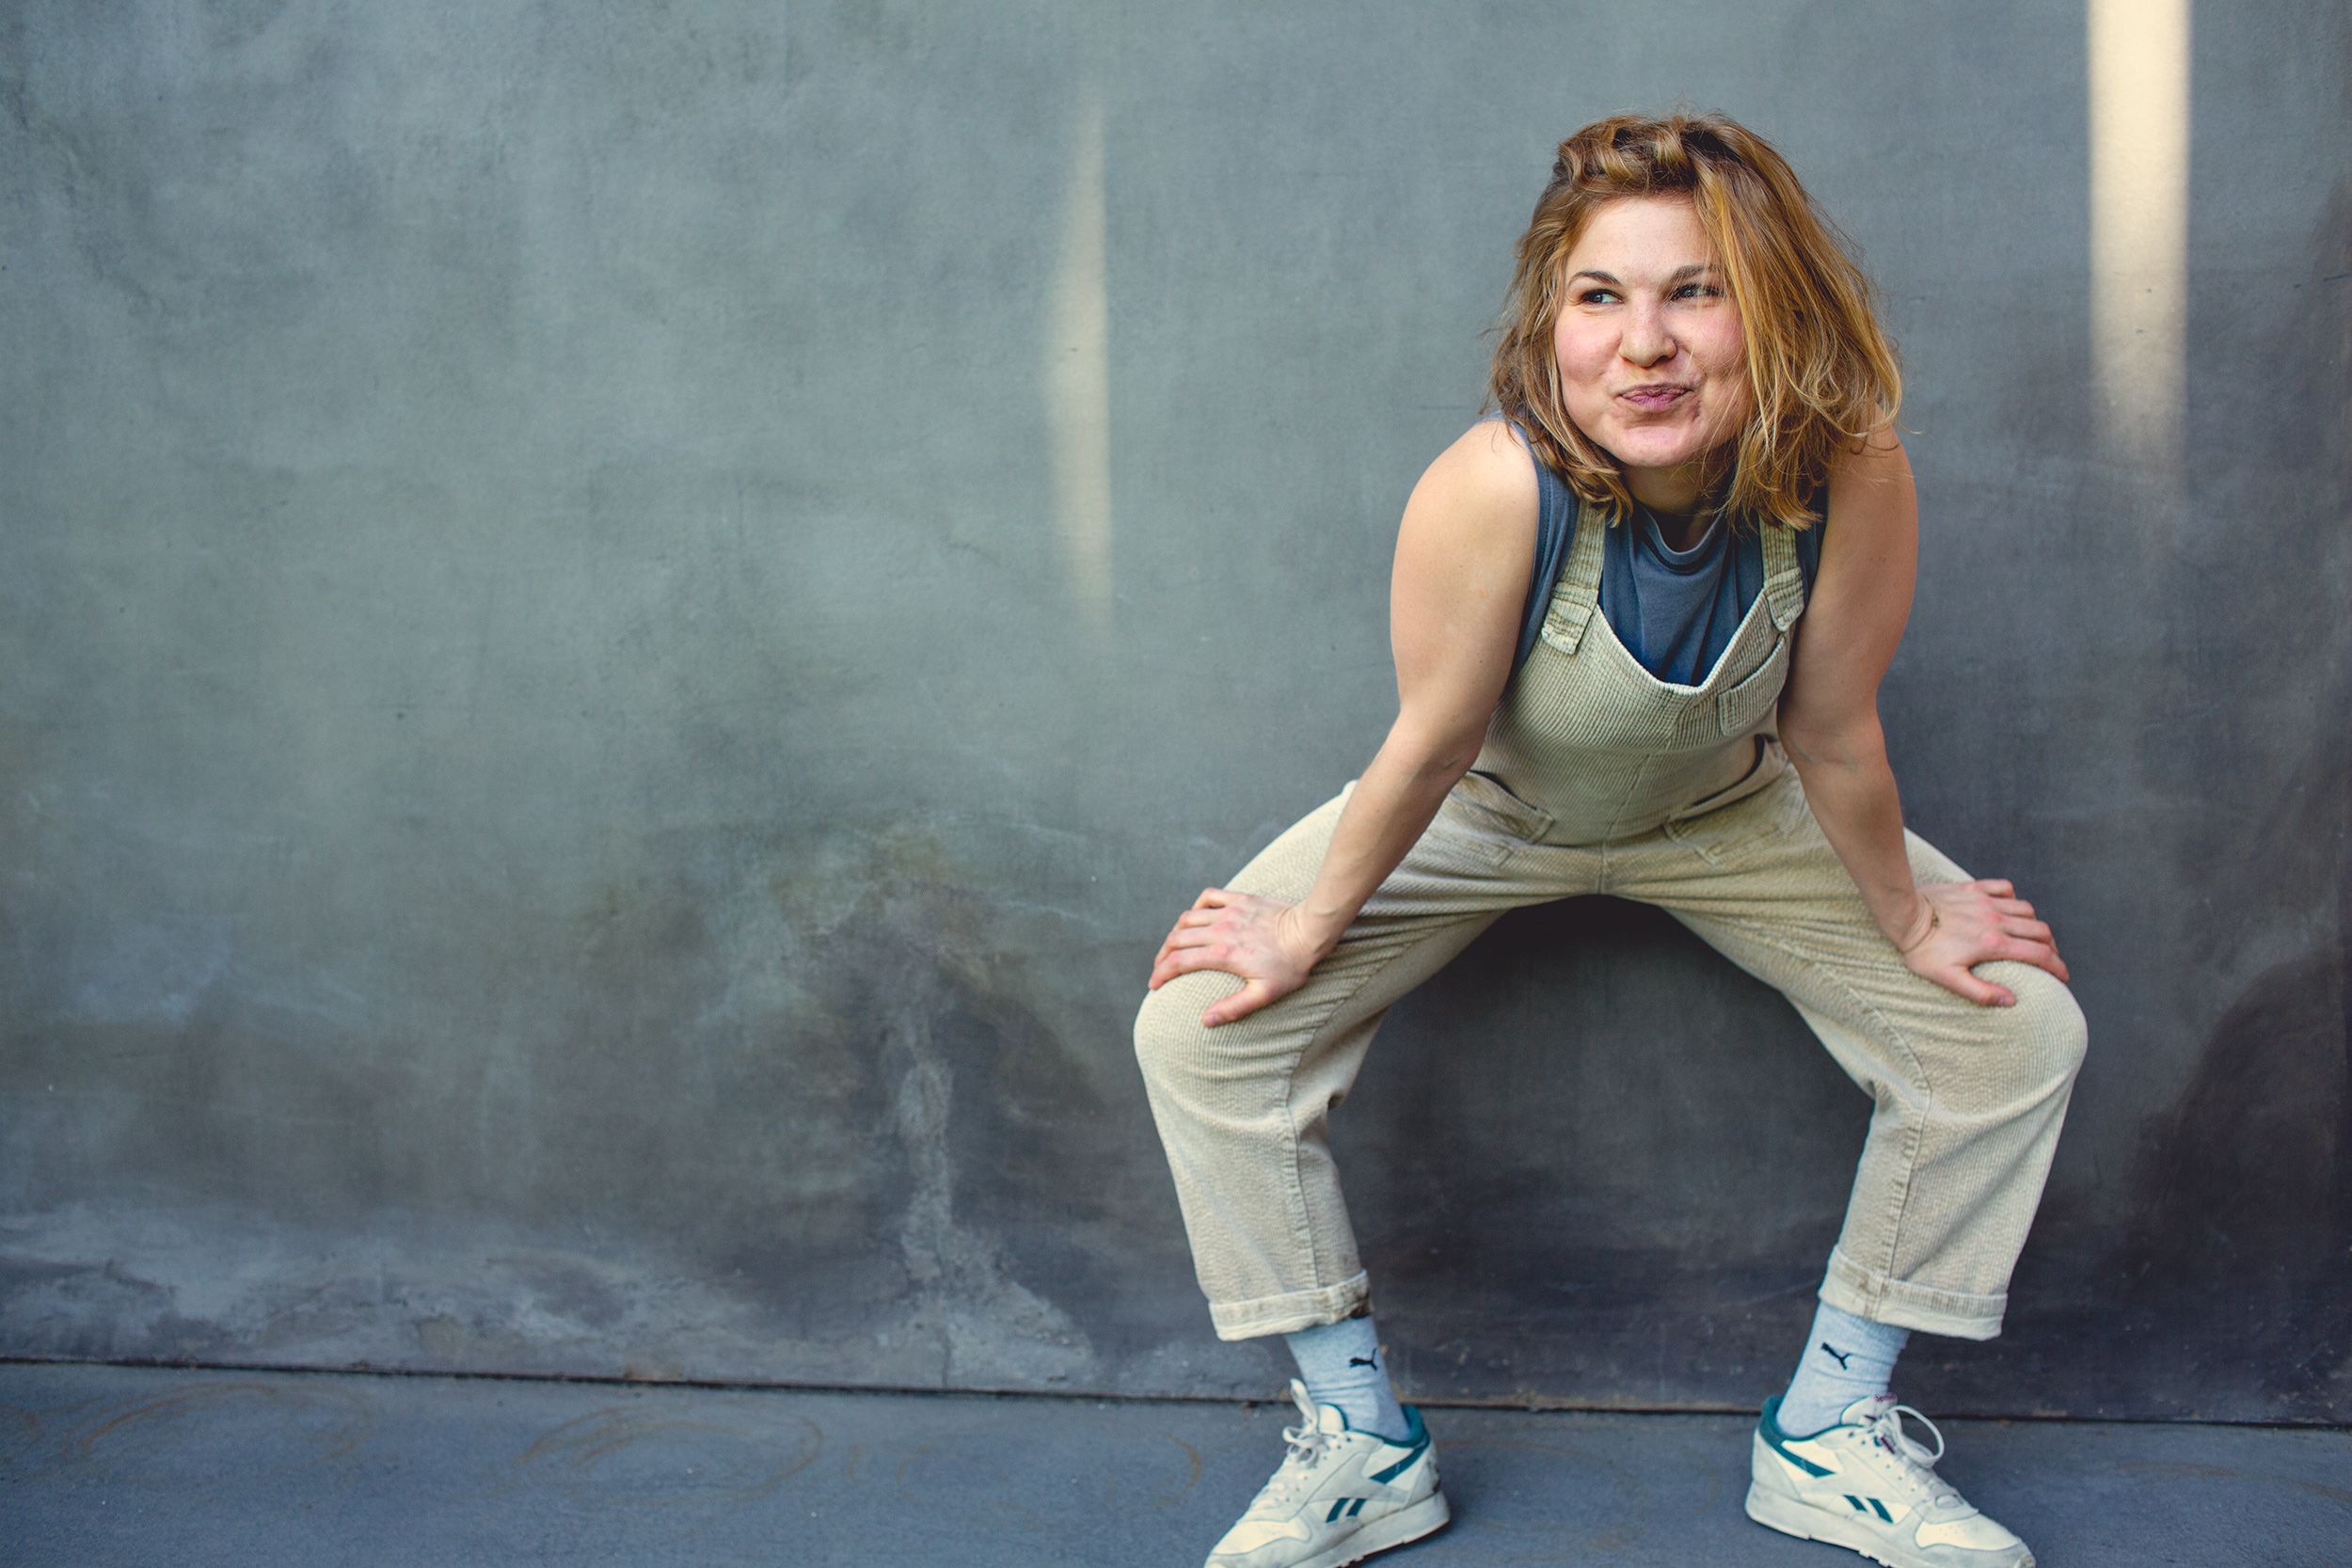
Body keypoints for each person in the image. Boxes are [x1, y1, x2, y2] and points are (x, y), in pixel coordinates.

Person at [1131, 111, 2086, 1568]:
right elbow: (1431, 744)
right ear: (1553, 324)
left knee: (2014, 1034)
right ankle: (1362, 1446)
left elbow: (1833, 732)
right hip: (1482, 812)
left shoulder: (1850, 472)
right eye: (1601, 297)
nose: (1645, 345)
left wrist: (1910, 920)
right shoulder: (1492, 484)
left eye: (1696, 292)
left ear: (1777, 312)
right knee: (1201, 1032)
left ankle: (1829, 1431)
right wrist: (1303, 930)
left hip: (1728, 812)